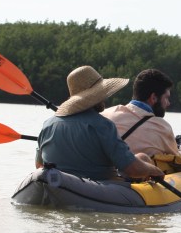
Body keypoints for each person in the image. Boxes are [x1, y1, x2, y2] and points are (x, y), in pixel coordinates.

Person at [36, 66, 164, 182]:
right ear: (94, 96)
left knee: (141, 157)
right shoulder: (103, 125)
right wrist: (154, 170)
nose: (105, 97)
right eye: (102, 94)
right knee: (144, 159)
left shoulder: (47, 124)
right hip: (99, 190)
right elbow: (132, 169)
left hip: (60, 186)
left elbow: (39, 165)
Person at [103, 68, 180, 157]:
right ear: (153, 98)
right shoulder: (162, 128)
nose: (168, 103)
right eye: (166, 98)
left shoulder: (106, 114)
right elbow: (177, 158)